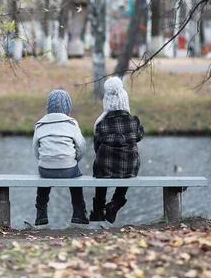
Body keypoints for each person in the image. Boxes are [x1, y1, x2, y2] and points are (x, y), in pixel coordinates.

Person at [90, 76, 144, 224]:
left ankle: (99, 209)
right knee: (130, 161)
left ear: (106, 103)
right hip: (128, 169)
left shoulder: (100, 124)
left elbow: (96, 148)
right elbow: (140, 136)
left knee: (99, 165)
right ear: (125, 102)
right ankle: (116, 202)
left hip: (105, 169)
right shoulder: (134, 122)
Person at [32, 89, 88, 225]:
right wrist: (73, 160)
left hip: (45, 168)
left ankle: (41, 212)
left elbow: (36, 150)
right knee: (77, 176)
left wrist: (45, 160)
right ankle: (79, 212)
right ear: (67, 108)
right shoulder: (72, 124)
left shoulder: (40, 125)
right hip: (69, 167)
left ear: (48, 108)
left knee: (44, 176)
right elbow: (81, 147)